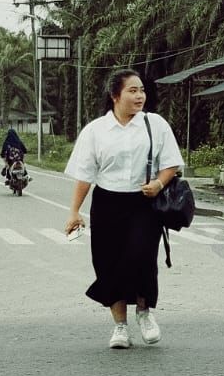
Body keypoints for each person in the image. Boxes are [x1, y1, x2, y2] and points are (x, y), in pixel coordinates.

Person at [64, 70, 183, 350]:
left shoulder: (155, 124)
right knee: (108, 263)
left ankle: (144, 313)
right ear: (115, 95)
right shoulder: (95, 131)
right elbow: (85, 175)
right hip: (107, 202)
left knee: (141, 256)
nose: (139, 95)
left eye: (141, 90)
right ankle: (120, 327)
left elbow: (171, 163)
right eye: (132, 91)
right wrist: (74, 212)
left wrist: (158, 183)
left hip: (144, 202)